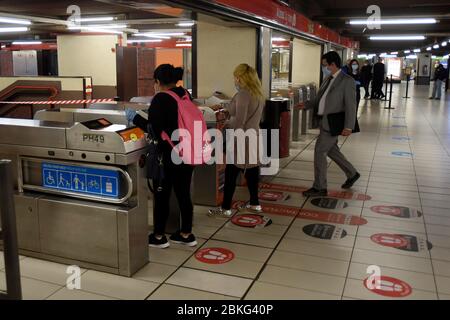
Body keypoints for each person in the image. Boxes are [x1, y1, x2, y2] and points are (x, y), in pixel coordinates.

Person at [125, 64, 197, 248]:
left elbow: (154, 130)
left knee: (162, 195)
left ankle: (158, 237)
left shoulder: (161, 98)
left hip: (167, 155)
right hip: (187, 151)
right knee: (183, 194)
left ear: (158, 81)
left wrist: (135, 118)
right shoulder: (185, 94)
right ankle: (186, 233)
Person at [300, 51, 360, 197]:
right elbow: (322, 98)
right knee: (332, 151)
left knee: (320, 151)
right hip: (324, 122)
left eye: (325, 65)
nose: (323, 68)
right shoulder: (328, 78)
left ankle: (320, 187)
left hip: (334, 123)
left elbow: (351, 105)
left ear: (333, 64)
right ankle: (352, 173)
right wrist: (307, 104)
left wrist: (348, 126)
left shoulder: (347, 81)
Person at [208, 63, 265, 217]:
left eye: (235, 77)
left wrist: (226, 124)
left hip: (241, 139)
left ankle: (225, 208)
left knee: (231, 174)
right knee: (252, 171)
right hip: (254, 137)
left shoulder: (243, 94)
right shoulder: (258, 93)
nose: (234, 80)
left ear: (240, 78)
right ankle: (255, 204)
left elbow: (239, 120)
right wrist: (227, 109)